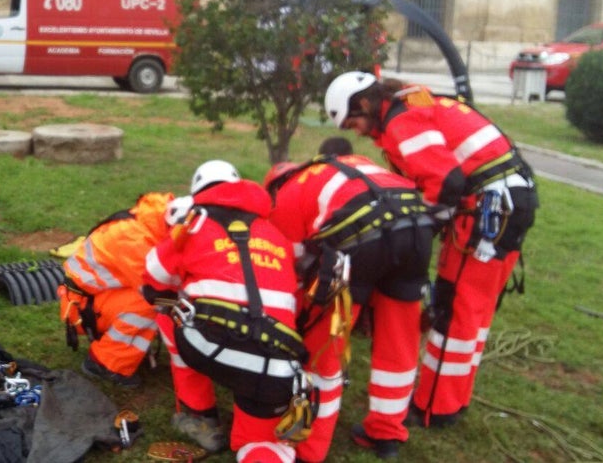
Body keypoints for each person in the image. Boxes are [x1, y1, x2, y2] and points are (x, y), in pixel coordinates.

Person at [324, 72, 538, 433]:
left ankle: (434, 408)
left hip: (489, 211)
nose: (357, 131)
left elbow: (446, 181)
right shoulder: (415, 104)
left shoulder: (402, 119)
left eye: (354, 121)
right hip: (510, 202)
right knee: (474, 310)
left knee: (455, 309)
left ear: (365, 104)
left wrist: (422, 230)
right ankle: (453, 399)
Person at [266, 137, 436, 461]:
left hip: (363, 241)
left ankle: (308, 449)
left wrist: (300, 322)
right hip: (417, 228)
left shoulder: (288, 196)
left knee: (324, 350)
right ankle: (386, 434)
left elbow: (290, 275)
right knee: (400, 341)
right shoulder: (346, 167)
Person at [143, 160, 306, 463]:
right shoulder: (273, 231)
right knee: (259, 444)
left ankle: (199, 415)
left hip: (213, 345)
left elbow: (153, 278)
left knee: (168, 311)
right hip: (277, 360)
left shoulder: (193, 222)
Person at [58, 191, 175, 387]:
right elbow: (158, 290)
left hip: (95, 297)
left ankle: (119, 348)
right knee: (153, 303)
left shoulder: (151, 223)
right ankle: (105, 363)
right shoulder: (136, 241)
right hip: (80, 307)